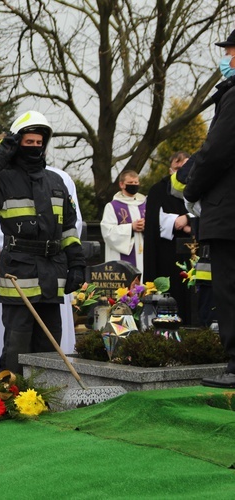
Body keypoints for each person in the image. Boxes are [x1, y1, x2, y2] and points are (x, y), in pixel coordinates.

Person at [0, 111, 86, 374]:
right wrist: (5, 148)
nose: (34, 148)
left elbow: (69, 229)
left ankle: (46, 394)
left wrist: (76, 263)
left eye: (39, 143)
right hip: (19, 272)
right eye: (28, 142)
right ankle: (14, 396)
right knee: (16, 342)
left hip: (52, 273)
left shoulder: (57, 182)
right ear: (18, 143)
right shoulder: (3, 179)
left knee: (50, 340)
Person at [180, 28, 235, 388]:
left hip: (230, 213)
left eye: (230, 52)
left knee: (230, 289)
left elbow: (216, 151)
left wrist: (192, 188)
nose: (226, 58)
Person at [143, 152, 194, 323]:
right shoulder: (159, 189)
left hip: (195, 252)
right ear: (170, 169)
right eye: (178, 168)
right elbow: (156, 221)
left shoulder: (200, 186)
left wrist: (188, 219)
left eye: (186, 168)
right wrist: (177, 222)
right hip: (168, 254)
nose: (182, 173)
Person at [101, 170, 146, 273]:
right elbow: (108, 232)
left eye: (136, 183)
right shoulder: (112, 206)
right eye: (130, 183)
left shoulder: (145, 204)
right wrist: (131, 228)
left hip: (144, 253)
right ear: (121, 184)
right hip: (122, 255)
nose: (134, 185)